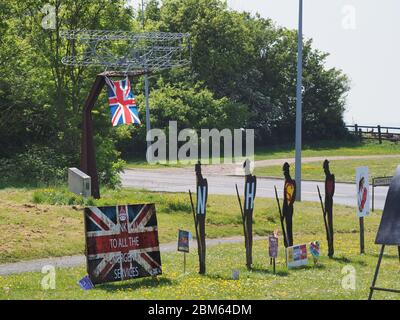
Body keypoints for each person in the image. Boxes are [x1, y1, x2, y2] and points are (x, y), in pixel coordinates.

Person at [323, 159, 335, 258]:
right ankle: (329, 247)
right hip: (327, 204)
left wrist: (326, 207)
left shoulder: (330, 178)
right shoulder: (327, 177)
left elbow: (329, 194)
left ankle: (331, 248)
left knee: (330, 226)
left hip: (329, 204)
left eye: (325, 167)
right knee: (328, 226)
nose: (324, 169)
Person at [282, 162, 296, 247]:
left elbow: (288, 199)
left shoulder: (290, 182)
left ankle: (289, 244)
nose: (283, 173)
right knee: (288, 228)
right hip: (287, 209)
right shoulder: (288, 181)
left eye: (284, 171)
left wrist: (284, 211)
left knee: (289, 228)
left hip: (289, 209)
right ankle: (288, 244)